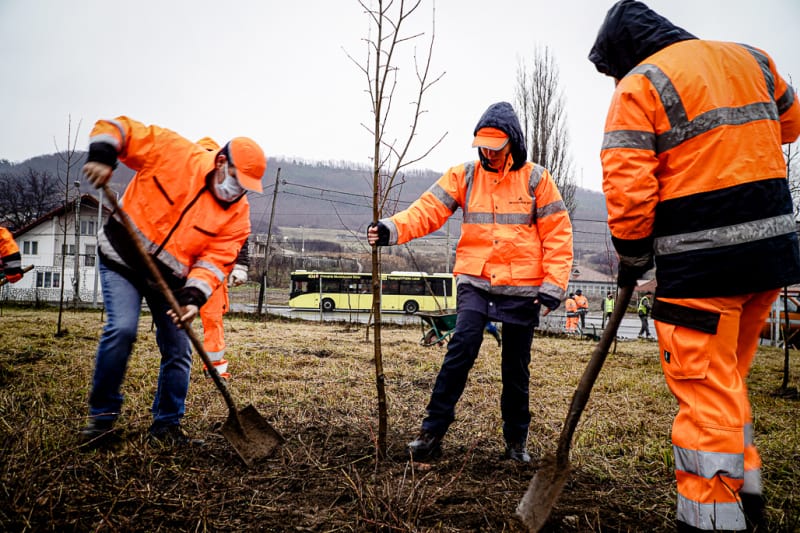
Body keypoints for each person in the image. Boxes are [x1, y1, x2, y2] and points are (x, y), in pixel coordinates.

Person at [589, 1, 800, 531]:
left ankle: (709, 521)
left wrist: (634, 255)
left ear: (622, 55)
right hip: (769, 261)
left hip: (703, 274)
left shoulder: (640, 84)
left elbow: (628, 186)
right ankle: (746, 506)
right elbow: (791, 125)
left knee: (707, 399)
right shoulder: (752, 59)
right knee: (727, 385)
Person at [367, 101, 573, 463]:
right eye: (483, 146)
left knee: (515, 366)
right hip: (475, 280)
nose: (488, 154)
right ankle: (431, 434)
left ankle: (516, 443)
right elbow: (427, 210)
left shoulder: (537, 179)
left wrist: (553, 286)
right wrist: (391, 229)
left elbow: (558, 234)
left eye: (495, 148)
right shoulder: (464, 175)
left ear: (513, 144)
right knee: (461, 348)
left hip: (523, 288)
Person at [79, 116, 266, 447]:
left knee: (179, 349)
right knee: (122, 329)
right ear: (221, 162)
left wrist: (193, 297)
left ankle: (166, 427)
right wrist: (102, 156)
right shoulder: (175, 153)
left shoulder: (237, 215)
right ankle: (102, 421)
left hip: (171, 280)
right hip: (123, 259)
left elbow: (215, 260)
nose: (238, 191)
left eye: (246, 188)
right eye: (237, 180)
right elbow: (118, 128)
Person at [194, 137, 250, 381]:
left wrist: (240, 265)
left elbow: (241, 232)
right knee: (174, 325)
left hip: (213, 267)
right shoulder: (184, 186)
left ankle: (215, 369)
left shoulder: (228, 193)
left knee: (213, 318)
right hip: (180, 265)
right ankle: (176, 367)